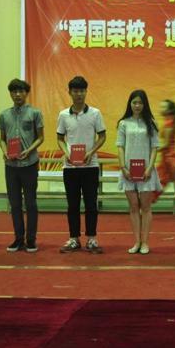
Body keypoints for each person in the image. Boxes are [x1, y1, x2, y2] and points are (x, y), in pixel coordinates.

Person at [57, 76, 106, 254]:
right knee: (73, 205)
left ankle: (92, 239)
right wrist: (67, 153)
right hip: (70, 167)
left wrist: (91, 152)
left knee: (91, 204)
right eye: (75, 91)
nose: (79, 94)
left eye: (82, 91)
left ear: (86, 92)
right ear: (70, 92)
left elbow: (102, 136)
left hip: (90, 166)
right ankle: (74, 239)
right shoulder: (63, 115)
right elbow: (60, 138)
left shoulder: (95, 113)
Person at [0, 79, 44, 253]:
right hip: (11, 165)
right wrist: (4, 151)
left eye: (21, 91)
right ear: (10, 94)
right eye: (14, 91)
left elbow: (41, 137)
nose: (17, 94)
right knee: (15, 204)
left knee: (30, 203)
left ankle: (31, 239)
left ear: (26, 93)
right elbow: (2, 139)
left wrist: (29, 151)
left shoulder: (35, 113)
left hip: (29, 164)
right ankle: (18, 238)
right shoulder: (4, 115)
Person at [116, 90, 161, 254]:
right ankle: (136, 242)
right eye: (134, 102)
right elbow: (120, 146)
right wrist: (123, 167)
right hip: (128, 172)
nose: (137, 105)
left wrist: (149, 168)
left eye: (140, 103)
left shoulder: (151, 123)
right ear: (130, 104)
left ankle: (145, 243)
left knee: (146, 207)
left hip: (146, 172)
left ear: (145, 105)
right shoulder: (123, 124)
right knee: (134, 207)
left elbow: (155, 148)